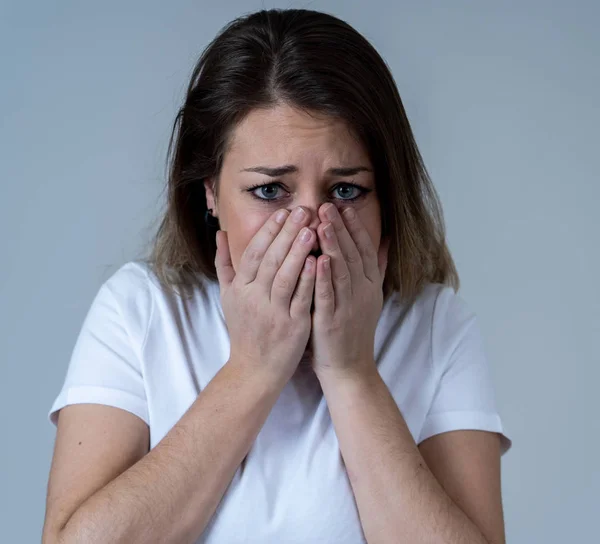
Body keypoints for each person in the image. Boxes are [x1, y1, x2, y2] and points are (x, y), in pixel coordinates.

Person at [42, 8, 511, 544]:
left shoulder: (435, 325)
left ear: (387, 195)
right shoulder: (139, 310)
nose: (312, 227)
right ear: (211, 192)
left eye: (346, 191)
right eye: (270, 190)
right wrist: (254, 366)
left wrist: (351, 369)